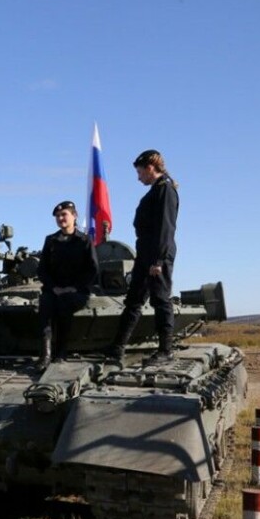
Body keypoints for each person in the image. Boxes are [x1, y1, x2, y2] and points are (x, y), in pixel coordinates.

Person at [107, 149, 180, 364]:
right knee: (134, 301)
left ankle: (166, 350)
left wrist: (159, 260)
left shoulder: (165, 190)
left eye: (140, 172)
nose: (138, 178)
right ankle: (117, 348)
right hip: (145, 254)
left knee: (160, 300)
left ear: (150, 168)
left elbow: (166, 228)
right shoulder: (155, 190)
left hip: (158, 254)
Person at [36, 200, 99, 369]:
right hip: (54, 289)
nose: (60, 218)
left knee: (65, 304)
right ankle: (46, 354)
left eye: (64, 214)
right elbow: (42, 270)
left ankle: (61, 352)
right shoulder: (51, 241)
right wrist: (53, 287)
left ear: (74, 216)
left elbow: (92, 269)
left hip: (77, 291)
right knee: (46, 304)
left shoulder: (84, 240)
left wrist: (76, 287)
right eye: (57, 216)